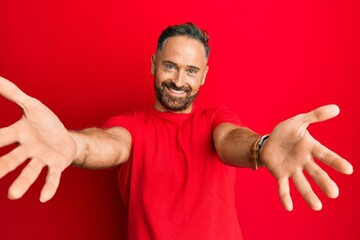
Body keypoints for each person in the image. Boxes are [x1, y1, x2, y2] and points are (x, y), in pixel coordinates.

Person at [0, 22, 353, 239]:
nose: (179, 81)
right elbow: (109, 146)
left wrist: (262, 146)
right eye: (170, 66)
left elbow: (231, 140)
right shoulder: (131, 126)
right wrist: (73, 145)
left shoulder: (216, 119)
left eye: (191, 70)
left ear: (204, 75)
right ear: (154, 64)